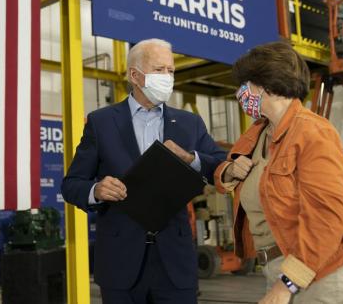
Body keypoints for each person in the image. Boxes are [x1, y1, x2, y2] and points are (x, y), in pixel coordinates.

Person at [61, 39, 226, 304]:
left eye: (171, 71)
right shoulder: (101, 123)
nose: (167, 77)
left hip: (175, 263)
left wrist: (191, 158)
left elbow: (222, 164)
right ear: (135, 76)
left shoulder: (189, 123)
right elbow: (71, 184)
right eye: (159, 70)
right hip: (120, 264)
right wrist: (97, 190)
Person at [214, 41, 343, 304]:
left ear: (266, 86)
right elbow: (228, 172)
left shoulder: (313, 133)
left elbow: (326, 219)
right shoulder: (258, 133)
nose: (240, 93)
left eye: (246, 85)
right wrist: (229, 172)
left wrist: (287, 283)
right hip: (279, 267)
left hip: (321, 272)